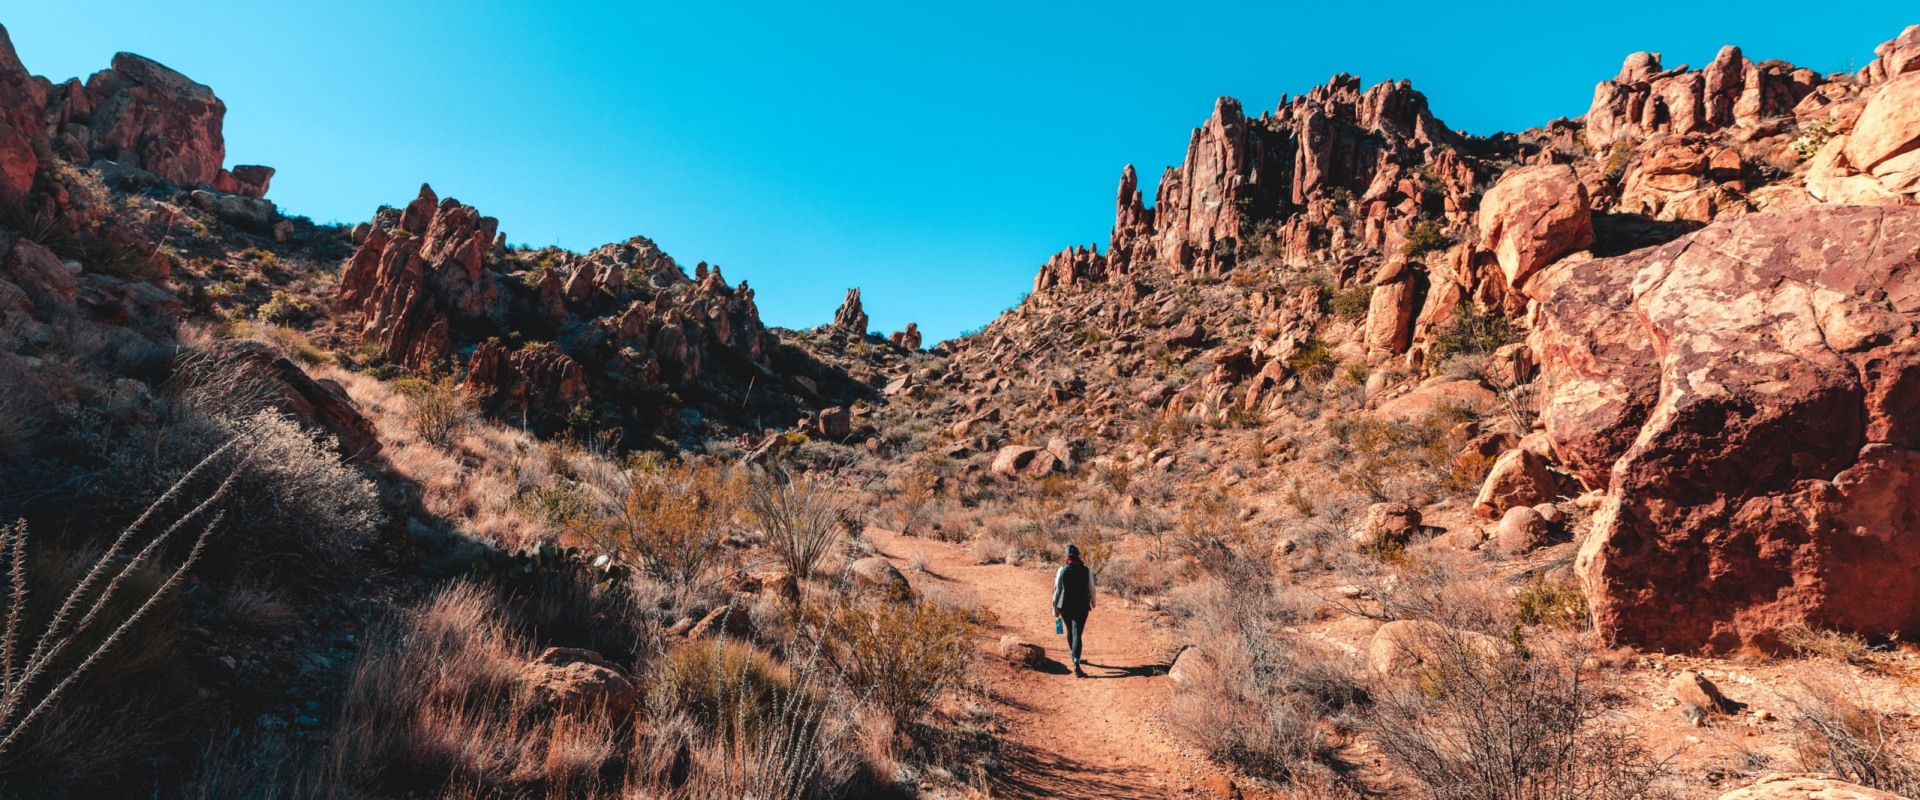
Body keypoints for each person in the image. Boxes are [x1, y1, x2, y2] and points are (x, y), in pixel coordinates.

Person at [1052, 544, 1095, 678]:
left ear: (1067, 557)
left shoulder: (1062, 571)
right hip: (1081, 606)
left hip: (1065, 606)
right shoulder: (1086, 571)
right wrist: (1093, 603)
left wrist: (1055, 608)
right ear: (1078, 556)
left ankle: (1073, 655)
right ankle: (1076, 663)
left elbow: (1057, 590)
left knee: (1070, 631)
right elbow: (1091, 589)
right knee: (1077, 633)